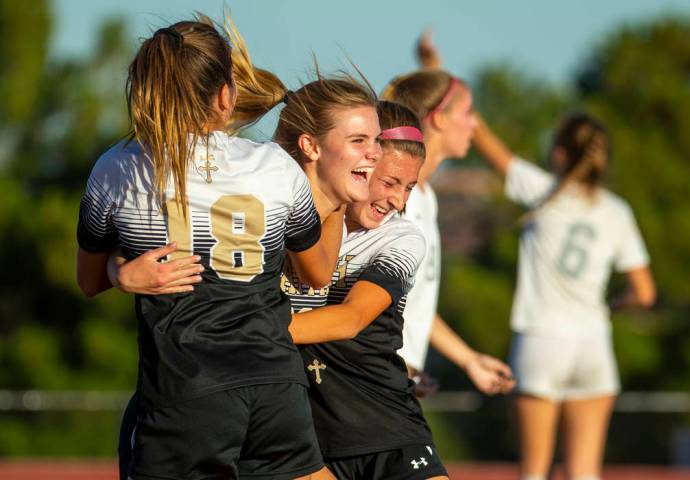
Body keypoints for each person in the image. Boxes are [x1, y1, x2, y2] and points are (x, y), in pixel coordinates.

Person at [76, 16, 346, 480]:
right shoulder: (275, 165)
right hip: (275, 385)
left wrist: (123, 274)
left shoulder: (118, 168)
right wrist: (337, 199)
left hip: (188, 389)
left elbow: (89, 280)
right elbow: (318, 274)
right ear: (226, 95)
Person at [472, 110, 656, 480]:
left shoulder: (542, 193)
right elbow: (645, 293)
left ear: (560, 154)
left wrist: (443, 81)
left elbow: (483, 138)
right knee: (585, 473)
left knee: (534, 472)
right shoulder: (616, 211)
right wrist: (611, 306)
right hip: (593, 342)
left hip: (541, 339)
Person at [287, 100, 448, 479]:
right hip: (310, 441)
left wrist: (242, 331)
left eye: (409, 188)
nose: (399, 201)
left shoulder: (402, 238)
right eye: (390, 182)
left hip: (390, 430)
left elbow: (351, 318)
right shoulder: (293, 220)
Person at [383, 65, 514, 396]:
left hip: (399, 377)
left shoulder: (426, 198)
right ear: (439, 119)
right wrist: (396, 367)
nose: (474, 123)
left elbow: (417, 301)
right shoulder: (395, 198)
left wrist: (469, 360)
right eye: (468, 112)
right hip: (379, 378)